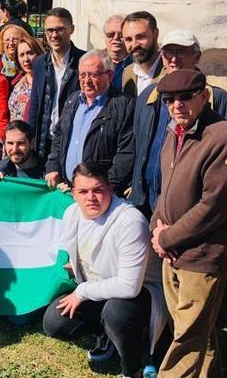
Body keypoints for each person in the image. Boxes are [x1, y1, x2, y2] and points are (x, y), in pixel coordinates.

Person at [149, 69, 227, 377]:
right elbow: (165, 189)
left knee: (187, 338)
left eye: (186, 97)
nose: (178, 105)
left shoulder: (224, 136)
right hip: (172, 250)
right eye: (170, 99)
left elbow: (214, 206)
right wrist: (157, 229)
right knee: (195, 329)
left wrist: (167, 238)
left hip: (202, 254)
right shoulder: (173, 131)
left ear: (204, 95)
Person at [42, 161, 166, 378]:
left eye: (98, 190)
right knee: (55, 321)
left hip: (139, 293)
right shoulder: (72, 213)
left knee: (116, 313)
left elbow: (129, 286)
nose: (90, 197)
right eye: (83, 191)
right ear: (73, 193)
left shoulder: (129, 220)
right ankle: (106, 335)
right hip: (99, 288)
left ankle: (132, 367)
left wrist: (81, 292)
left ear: (110, 189)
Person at [130, 29, 227, 216]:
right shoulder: (149, 96)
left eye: (182, 52)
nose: (174, 59)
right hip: (144, 204)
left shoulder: (217, 99)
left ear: (197, 56)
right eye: (168, 53)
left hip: (189, 211)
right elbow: (137, 145)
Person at [44, 49, 134, 195]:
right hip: (67, 189)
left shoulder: (124, 106)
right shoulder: (73, 100)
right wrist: (53, 166)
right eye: (82, 75)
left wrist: (105, 186)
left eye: (94, 75)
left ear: (109, 75)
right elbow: (59, 136)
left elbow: (126, 153)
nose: (87, 81)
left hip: (99, 195)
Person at [27, 7, 85, 160]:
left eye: (60, 29)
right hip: (45, 140)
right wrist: (29, 136)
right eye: (49, 31)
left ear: (71, 29)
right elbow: (35, 102)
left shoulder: (84, 61)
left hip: (73, 139)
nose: (54, 35)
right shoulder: (40, 62)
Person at [121, 11, 165, 98]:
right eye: (128, 39)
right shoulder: (128, 73)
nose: (134, 45)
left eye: (140, 37)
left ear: (155, 34)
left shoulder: (170, 70)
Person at [8, 36, 45, 122]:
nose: (26, 59)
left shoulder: (46, 82)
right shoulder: (16, 82)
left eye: (30, 53)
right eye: (22, 55)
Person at [103, 14, 132, 94]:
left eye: (121, 35)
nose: (116, 38)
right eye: (110, 35)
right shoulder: (95, 62)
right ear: (104, 37)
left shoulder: (137, 65)